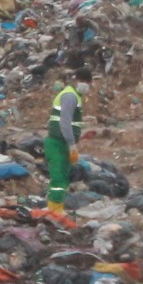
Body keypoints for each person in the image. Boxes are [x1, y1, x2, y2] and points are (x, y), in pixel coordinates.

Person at [46, 63, 86, 213]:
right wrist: (71, 144)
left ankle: (56, 209)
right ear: (78, 81)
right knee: (58, 178)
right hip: (58, 143)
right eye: (85, 82)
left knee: (62, 177)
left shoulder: (73, 95)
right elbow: (65, 122)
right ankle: (54, 211)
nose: (86, 86)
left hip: (61, 142)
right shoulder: (70, 96)